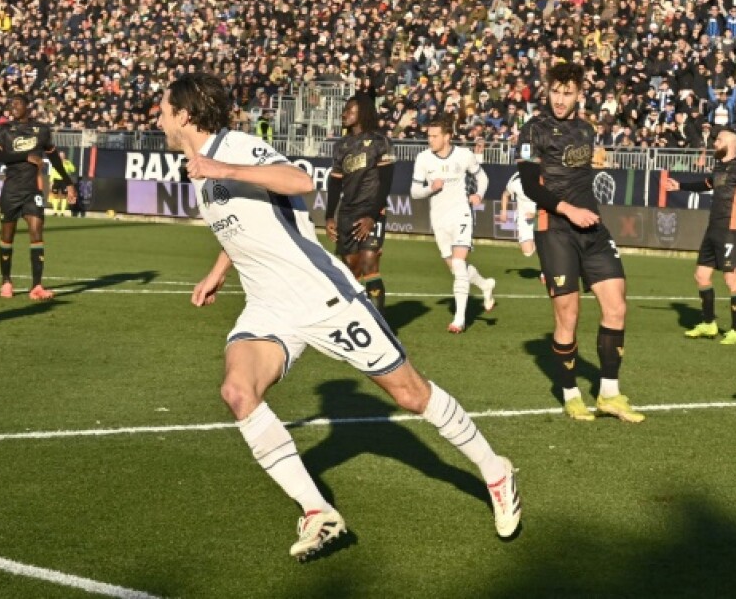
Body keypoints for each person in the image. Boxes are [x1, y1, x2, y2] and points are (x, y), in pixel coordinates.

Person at [158, 73, 521, 560]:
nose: (158, 118)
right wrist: (218, 269)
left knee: (412, 394)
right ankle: (317, 512)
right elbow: (252, 222)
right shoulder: (202, 169)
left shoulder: (235, 147)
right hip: (269, 304)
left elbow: (300, 182)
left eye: (162, 109)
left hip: (322, 296)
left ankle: (494, 470)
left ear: (184, 114)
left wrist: (222, 166)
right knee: (237, 391)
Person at [515, 62, 642, 422]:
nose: (559, 99)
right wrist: (569, 210)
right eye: (555, 91)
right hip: (554, 230)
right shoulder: (533, 130)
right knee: (568, 315)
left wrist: (585, 212)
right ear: (548, 90)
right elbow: (529, 185)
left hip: (592, 229)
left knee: (616, 306)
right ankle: (571, 394)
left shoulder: (586, 131)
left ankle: (609, 394)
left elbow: (582, 179)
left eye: (567, 92)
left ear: (579, 94)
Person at [665, 126, 736, 346]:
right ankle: (709, 323)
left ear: (729, 143)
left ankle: (735, 331)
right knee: (701, 275)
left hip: (731, 230)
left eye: (718, 140)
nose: (714, 143)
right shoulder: (719, 167)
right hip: (713, 229)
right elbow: (707, 184)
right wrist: (680, 185)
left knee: (731, 279)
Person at [410, 115, 497, 333]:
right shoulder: (423, 159)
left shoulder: (464, 155)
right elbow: (414, 191)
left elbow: (483, 178)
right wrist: (431, 188)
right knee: (456, 269)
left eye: (434, 136)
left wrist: (478, 194)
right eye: (428, 135)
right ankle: (485, 285)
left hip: (461, 214)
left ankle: (459, 319)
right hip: (438, 220)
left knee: (458, 265)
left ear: (447, 136)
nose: (430, 139)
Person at [0, 91, 76, 300]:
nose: (13, 106)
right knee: (7, 237)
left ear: (27, 106)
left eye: (17, 103)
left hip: (32, 191)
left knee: (37, 233)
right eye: (11, 103)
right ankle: (6, 281)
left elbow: (54, 157)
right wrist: (25, 156)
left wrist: (68, 183)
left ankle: (36, 286)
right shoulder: (4, 130)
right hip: (11, 190)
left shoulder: (41, 130)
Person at [325, 95, 396, 314]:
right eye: (345, 110)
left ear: (363, 113)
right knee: (352, 268)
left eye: (350, 110)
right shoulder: (341, 146)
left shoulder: (379, 141)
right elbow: (335, 182)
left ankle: (380, 324)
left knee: (369, 263)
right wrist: (329, 216)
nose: (344, 114)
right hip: (347, 213)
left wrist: (372, 216)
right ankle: (353, 320)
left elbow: (386, 183)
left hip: (372, 212)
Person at [499, 171, 537, 261]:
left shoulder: (540, 181)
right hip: (523, 220)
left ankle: (545, 270)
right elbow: (505, 195)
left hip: (540, 217)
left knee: (545, 246)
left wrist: (535, 214)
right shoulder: (516, 182)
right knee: (528, 252)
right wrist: (504, 211)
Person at [48, 149, 77, 217]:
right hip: (56, 180)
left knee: (64, 196)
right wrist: (51, 181)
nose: (61, 157)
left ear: (64, 156)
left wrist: (68, 163)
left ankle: (62, 212)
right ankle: (55, 211)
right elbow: (53, 171)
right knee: (55, 195)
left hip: (64, 180)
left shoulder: (67, 162)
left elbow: (73, 169)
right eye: (60, 156)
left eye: (62, 156)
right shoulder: (56, 162)